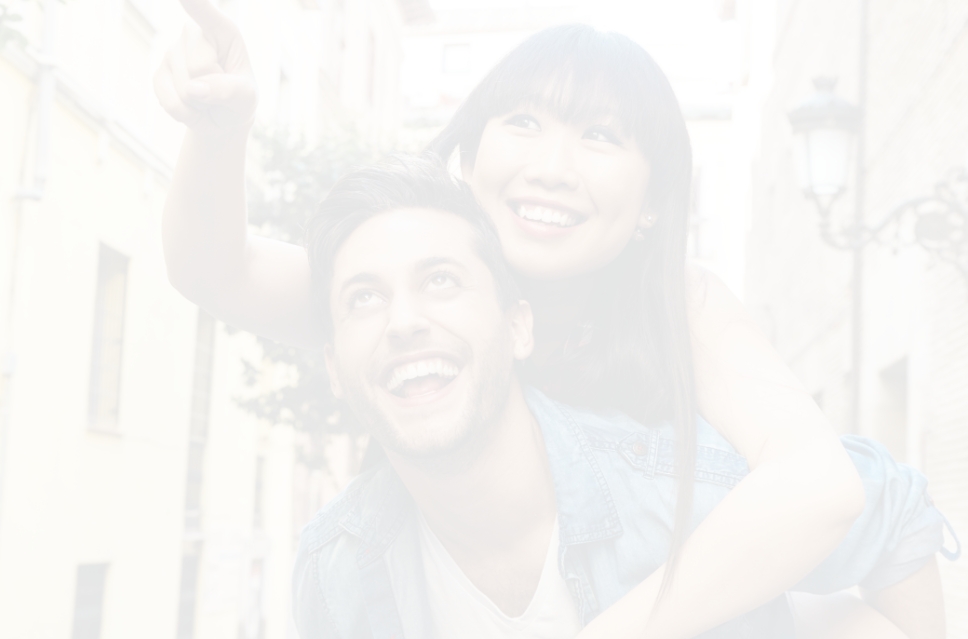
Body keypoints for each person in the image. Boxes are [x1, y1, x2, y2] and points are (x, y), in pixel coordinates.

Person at [153, 3, 953, 636]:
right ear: (470, 154)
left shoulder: (679, 303)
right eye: (523, 123)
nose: (551, 168)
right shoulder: (420, 294)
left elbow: (832, 486)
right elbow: (216, 270)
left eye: (600, 136)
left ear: (651, 204)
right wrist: (218, 136)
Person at [294, 154, 949, 638]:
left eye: (440, 281)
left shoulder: (672, 485)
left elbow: (890, 509)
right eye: (364, 297)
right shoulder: (336, 564)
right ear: (333, 367)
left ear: (519, 325)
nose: (402, 320)